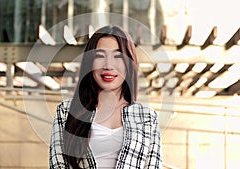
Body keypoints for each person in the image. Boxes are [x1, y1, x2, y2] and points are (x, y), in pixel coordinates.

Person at [49, 25, 161, 169]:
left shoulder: (147, 117)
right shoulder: (66, 112)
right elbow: (58, 165)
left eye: (118, 56)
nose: (108, 66)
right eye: (100, 56)